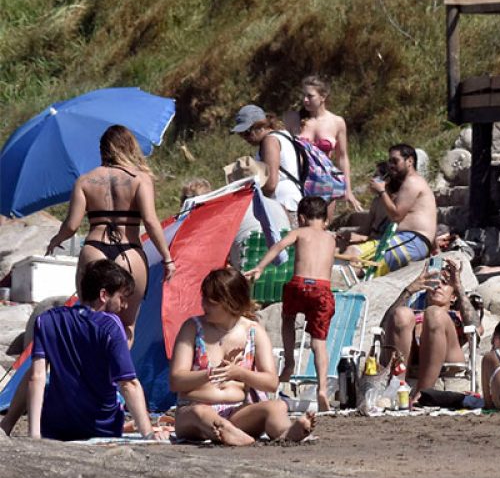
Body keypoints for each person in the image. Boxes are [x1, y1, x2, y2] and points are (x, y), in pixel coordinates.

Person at [45, 125, 175, 344]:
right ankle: (117, 375)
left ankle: (90, 373)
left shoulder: (85, 181)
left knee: (89, 320)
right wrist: (167, 258)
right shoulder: (140, 179)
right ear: (129, 147)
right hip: (130, 252)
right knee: (127, 327)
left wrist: (56, 240)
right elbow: (151, 221)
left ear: (103, 150)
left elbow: (72, 225)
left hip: (95, 249)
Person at [24, 260, 166, 441]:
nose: (124, 306)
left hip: (55, 426)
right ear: (104, 295)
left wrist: (34, 435)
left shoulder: (46, 320)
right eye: (121, 298)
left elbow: (36, 377)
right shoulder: (110, 325)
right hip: (101, 427)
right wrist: (148, 434)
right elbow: (128, 384)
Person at [170, 268, 315, 446]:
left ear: (231, 302)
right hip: (193, 408)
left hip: (236, 411)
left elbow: (271, 383)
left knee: (276, 406)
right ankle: (225, 431)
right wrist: (211, 373)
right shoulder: (192, 327)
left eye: (211, 301)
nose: (204, 305)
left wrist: (238, 373)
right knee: (201, 413)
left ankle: (287, 432)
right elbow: (176, 380)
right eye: (204, 298)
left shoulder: (253, 331)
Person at [244, 196, 337, 411]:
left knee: (288, 320)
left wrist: (259, 268)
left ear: (301, 218)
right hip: (322, 289)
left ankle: (289, 363)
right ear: (325, 220)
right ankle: (322, 387)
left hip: (299, 285)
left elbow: (279, 247)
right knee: (319, 341)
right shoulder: (331, 238)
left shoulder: (299, 232)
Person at [380, 259, 481, 399]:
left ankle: (422, 394)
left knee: (434, 313)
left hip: (449, 355)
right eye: (435, 282)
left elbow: (476, 330)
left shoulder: (458, 315)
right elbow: (385, 328)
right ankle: (398, 388)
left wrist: (458, 286)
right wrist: (409, 290)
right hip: (412, 354)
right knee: (401, 313)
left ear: (453, 297)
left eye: (445, 283)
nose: (438, 286)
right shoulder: (413, 313)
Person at [340, 144, 437, 276]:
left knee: (355, 255)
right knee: (356, 260)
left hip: (411, 241)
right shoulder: (411, 183)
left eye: (395, 161)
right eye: (389, 161)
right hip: (406, 240)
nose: (391, 165)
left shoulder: (413, 182)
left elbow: (396, 216)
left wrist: (381, 191)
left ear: (410, 161)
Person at [284, 75, 362, 217]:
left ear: (323, 96)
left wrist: (348, 190)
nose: (305, 100)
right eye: (303, 95)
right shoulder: (292, 119)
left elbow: (343, 158)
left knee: (322, 228)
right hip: (299, 180)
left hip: (324, 183)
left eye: (310, 96)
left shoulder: (337, 122)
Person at [232, 105, 302, 224]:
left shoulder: (269, 141)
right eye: (241, 134)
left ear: (259, 126)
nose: (244, 138)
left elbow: (270, 184)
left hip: (282, 205)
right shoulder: (284, 135)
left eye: (246, 133)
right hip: (292, 201)